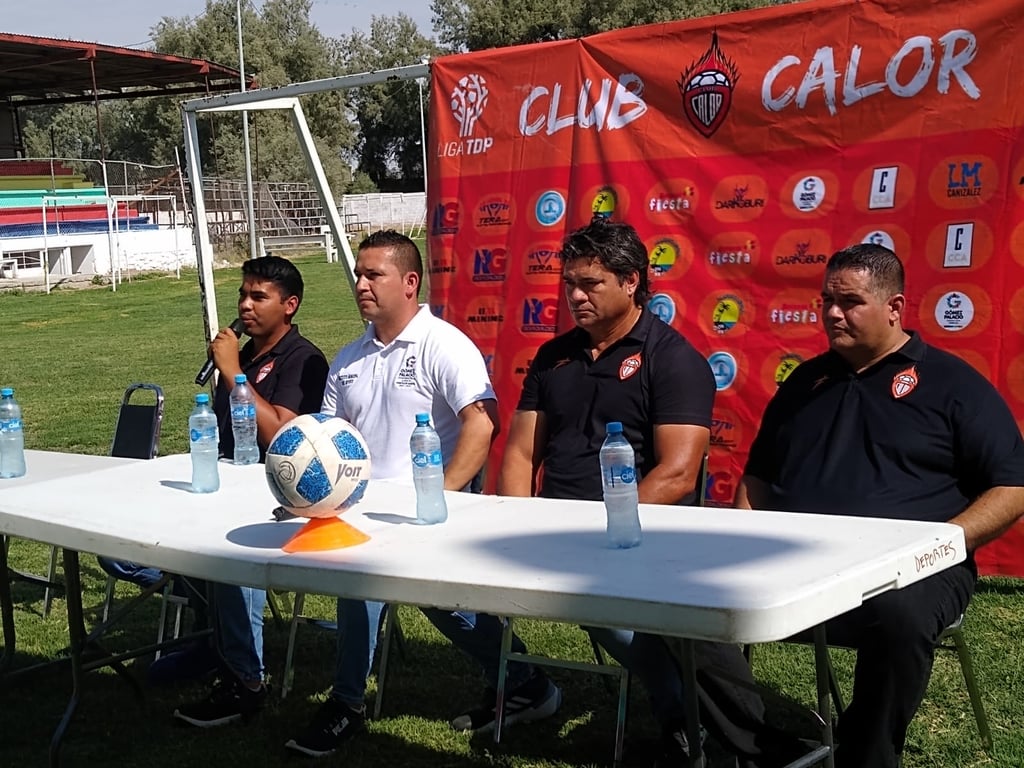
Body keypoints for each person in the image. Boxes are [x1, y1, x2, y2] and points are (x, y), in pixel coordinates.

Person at [498, 217, 803, 768]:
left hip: (643, 538)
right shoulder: (553, 357)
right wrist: (520, 532)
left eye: (590, 284)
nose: (574, 295)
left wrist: (598, 534)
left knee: (648, 618)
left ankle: (710, 729)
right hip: (554, 540)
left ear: (632, 281)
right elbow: (521, 454)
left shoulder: (674, 360)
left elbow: (679, 475)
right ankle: (690, 723)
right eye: (569, 282)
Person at [735, 243, 1024, 768]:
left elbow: (1012, 487)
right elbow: (758, 476)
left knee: (898, 615)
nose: (832, 313)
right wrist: (739, 544)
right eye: (827, 300)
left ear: (894, 308)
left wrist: (939, 546)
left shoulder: (953, 385)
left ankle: (864, 757)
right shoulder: (804, 382)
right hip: (796, 562)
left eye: (850, 302)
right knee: (691, 599)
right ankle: (749, 743)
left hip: (912, 570)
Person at [283, 230, 553, 757]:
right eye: (358, 274)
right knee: (371, 582)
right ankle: (521, 681)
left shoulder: (444, 345)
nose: (360, 284)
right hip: (360, 510)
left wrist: (436, 497)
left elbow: (482, 424)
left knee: (428, 600)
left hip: (427, 511)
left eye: (372, 274)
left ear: (410, 283)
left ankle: (346, 705)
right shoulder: (348, 358)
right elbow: (329, 438)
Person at [170, 255, 330, 726]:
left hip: (274, 496)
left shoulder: (305, 360)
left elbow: (282, 433)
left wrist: (234, 374)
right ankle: (212, 643)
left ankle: (245, 680)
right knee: (129, 550)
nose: (245, 305)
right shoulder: (244, 356)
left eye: (259, 296)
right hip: (219, 482)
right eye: (243, 294)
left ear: (290, 306)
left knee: (226, 558)